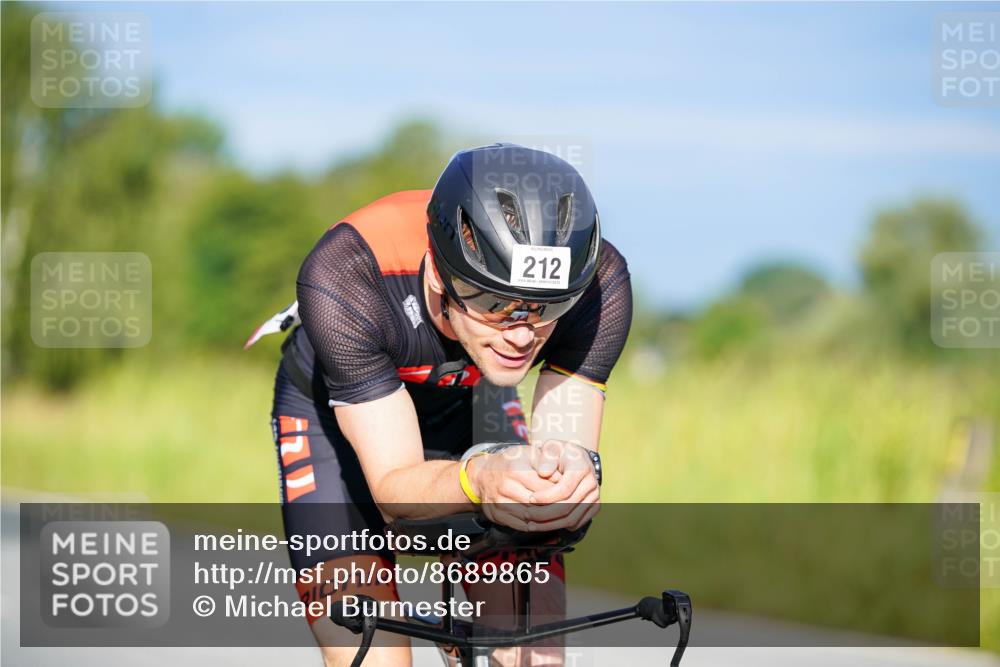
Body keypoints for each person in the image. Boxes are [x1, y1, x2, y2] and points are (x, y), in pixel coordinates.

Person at [249, 143, 633, 666]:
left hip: (476, 403)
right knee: (373, 656)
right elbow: (394, 487)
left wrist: (566, 486)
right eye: (497, 305)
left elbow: (566, 456)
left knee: (533, 657)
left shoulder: (600, 287)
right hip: (333, 424)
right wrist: (481, 479)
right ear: (438, 278)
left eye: (548, 307)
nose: (523, 334)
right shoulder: (347, 276)